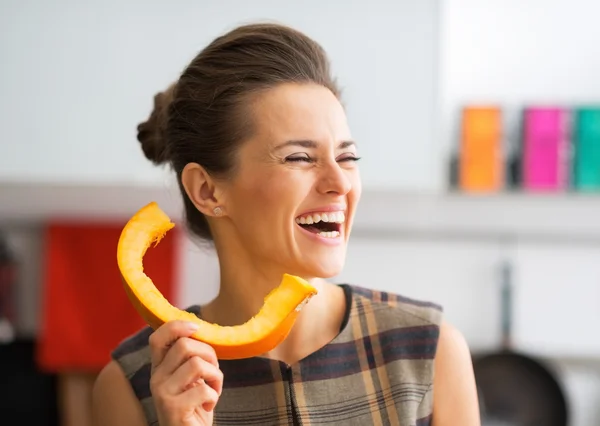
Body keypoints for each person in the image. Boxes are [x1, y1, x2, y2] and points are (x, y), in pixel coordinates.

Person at [92, 22, 480, 426]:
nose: (340, 182)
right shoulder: (132, 387)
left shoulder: (430, 352)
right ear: (207, 191)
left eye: (347, 157)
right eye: (299, 158)